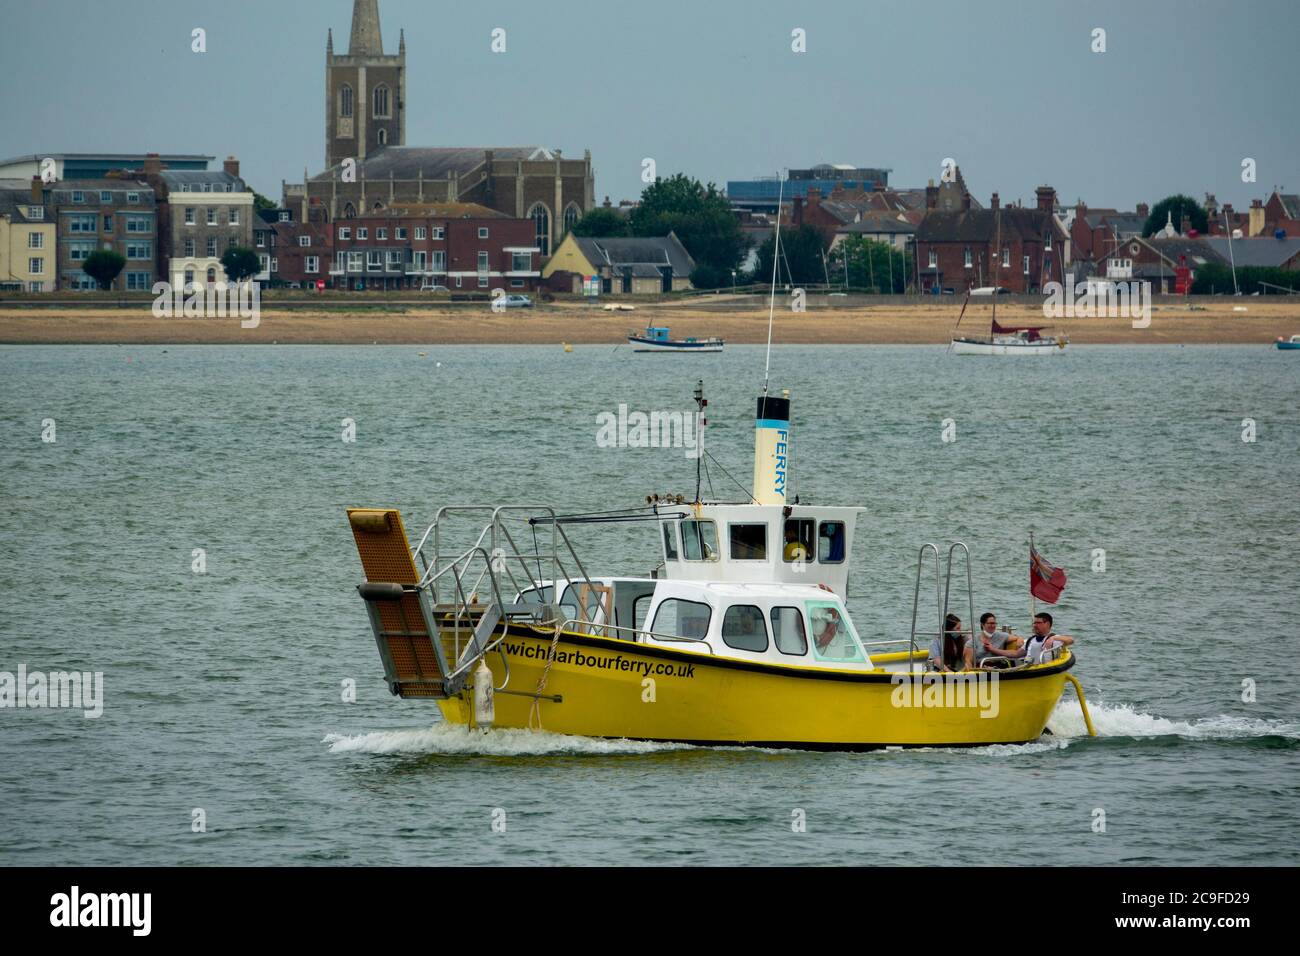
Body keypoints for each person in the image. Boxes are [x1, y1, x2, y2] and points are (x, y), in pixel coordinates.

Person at [983, 611, 1074, 664]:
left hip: (1044, 670)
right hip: (1029, 669)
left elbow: (1070, 640)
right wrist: (993, 649)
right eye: (1034, 623)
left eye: (1038, 623)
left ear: (1047, 624)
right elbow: (1016, 654)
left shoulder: (1054, 639)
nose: (1035, 625)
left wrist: (1053, 638)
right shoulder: (1031, 640)